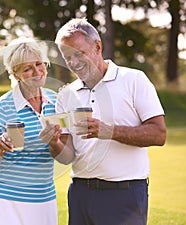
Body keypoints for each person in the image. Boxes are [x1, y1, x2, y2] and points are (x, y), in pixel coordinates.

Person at [39, 18, 166, 225]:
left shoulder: (134, 79)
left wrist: (109, 131)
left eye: (78, 54)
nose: (73, 63)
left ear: (97, 46)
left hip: (124, 194)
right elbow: (67, 155)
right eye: (67, 57)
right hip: (80, 193)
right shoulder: (66, 94)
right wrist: (54, 143)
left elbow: (159, 134)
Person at [0, 37, 58, 225]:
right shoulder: (1, 107)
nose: (36, 71)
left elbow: (65, 151)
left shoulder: (56, 102)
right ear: (16, 75)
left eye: (39, 64)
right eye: (27, 69)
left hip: (43, 198)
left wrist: (57, 141)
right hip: (4, 199)